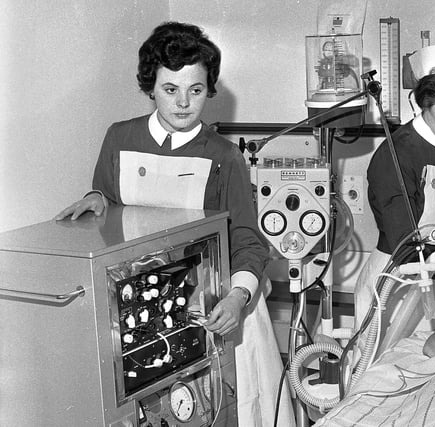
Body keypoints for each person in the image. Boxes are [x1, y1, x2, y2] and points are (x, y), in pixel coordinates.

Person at [54, 22, 294, 427]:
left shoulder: (224, 156)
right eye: (170, 90)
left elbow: (248, 241)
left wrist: (237, 299)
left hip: (215, 306)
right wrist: (98, 198)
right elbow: (113, 207)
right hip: (138, 312)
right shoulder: (120, 138)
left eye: (195, 90)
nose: (184, 103)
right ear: (151, 88)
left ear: (209, 90)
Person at [354, 44, 435, 333]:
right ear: (424, 104)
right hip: (397, 277)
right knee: (380, 363)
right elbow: (401, 232)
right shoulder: (399, 153)